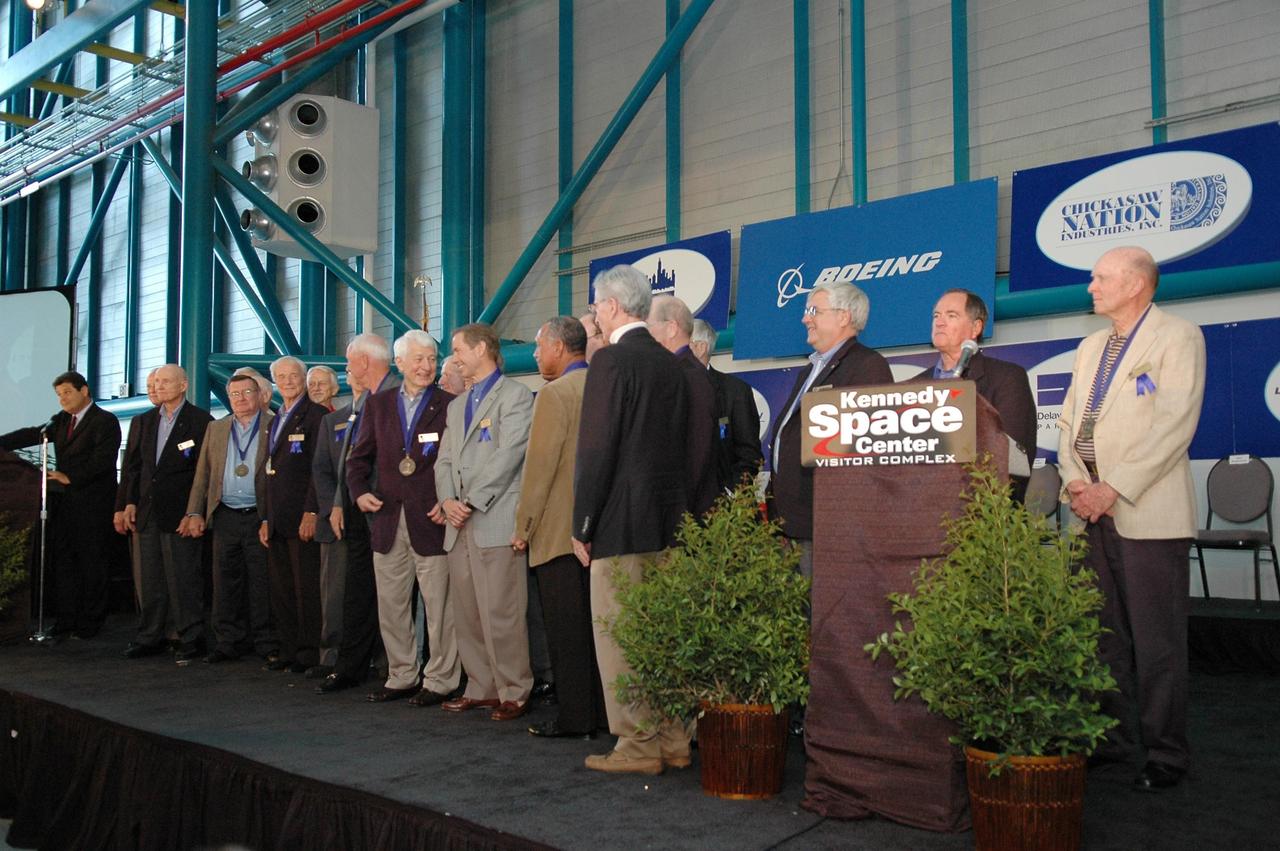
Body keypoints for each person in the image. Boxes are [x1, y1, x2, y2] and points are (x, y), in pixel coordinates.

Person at [1057, 246, 1205, 792]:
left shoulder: (1179, 336)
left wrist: (1111, 489)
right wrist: (1077, 482)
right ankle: (1111, 740)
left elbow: (1174, 426)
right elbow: (1070, 421)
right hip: (1092, 512)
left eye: (1101, 278)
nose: (1091, 287)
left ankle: (1167, 752)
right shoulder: (1091, 345)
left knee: (1158, 641)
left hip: (1147, 514)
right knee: (1103, 637)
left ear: (1137, 284)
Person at [573, 264, 691, 775]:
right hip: (669, 524)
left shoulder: (611, 362)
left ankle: (638, 746)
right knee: (660, 635)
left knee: (620, 639)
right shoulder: (673, 365)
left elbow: (598, 449)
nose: (595, 314)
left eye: (597, 305)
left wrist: (583, 523)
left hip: (621, 525)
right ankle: (672, 740)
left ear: (614, 307)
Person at [346, 330, 461, 705]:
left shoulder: (450, 404)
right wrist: (359, 491)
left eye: (431, 359)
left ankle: (441, 679)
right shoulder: (377, 405)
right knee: (392, 605)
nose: (427, 366)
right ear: (400, 363)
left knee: (439, 607)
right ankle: (401, 675)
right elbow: (358, 459)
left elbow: (460, 462)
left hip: (432, 519)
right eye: (418, 359)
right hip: (387, 520)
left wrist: (449, 499)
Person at [436, 323, 536, 721]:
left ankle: (515, 689)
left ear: (482, 349)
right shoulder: (457, 405)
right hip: (457, 523)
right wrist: (447, 501)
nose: (455, 358)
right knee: (468, 613)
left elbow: (509, 454)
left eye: (459, 350)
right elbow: (444, 460)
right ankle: (482, 687)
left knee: (502, 611)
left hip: (493, 518)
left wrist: (471, 501)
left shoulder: (515, 396)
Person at [512, 317, 606, 740]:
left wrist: (524, 525)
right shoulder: (606, 386)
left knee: (566, 633)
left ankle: (575, 719)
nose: (534, 354)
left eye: (537, 346)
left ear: (556, 346)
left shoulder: (555, 394)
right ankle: (604, 716)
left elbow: (539, 470)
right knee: (597, 631)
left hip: (556, 533)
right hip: (601, 530)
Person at [767, 282, 891, 576]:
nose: (804, 318)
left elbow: (865, 452)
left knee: (819, 614)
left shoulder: (867, 366)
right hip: (791, 521)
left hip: (825, 524)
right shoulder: (808, 371)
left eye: (813, 310)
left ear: (843, 317)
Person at [1, 370, 121, 639]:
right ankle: (66, 620)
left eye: (67, 392)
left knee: (92, 564)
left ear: (84, 391)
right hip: (65, 504)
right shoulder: (62, 420)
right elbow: (35, 433)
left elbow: (103, 461)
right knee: (66, 564)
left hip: (94, 503)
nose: (62, 399)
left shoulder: (105, 420)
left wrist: (71, 477)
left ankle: (91, 623)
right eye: (58, 395)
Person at [315, 334, 399, 694]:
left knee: (394, 594)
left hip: (389, 507)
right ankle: (352, 666)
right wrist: (339, 500)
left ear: (365, 362)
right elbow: (350, 458)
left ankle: (393, 668)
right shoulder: (361, 401)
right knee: (358, 590)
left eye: (350, 362)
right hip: (357, 507)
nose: (347, 368)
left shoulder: (396, 394)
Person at [119, 365, 212, 664]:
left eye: (165, 382)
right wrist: (127, 503)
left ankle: (189, 636)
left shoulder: (201, 421)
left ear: (183, 385)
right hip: (146, 512)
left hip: (181, 512)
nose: (158, 386)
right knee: (149, 578)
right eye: (156, 382)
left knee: (183, 577)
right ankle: (150, 635)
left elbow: (204, 471)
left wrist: (195, 511)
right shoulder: (143, 421)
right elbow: (132, 468)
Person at [181, 374, 277, 664]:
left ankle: (266, 641)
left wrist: (271, 517)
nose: (240, 398)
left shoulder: (274, 424)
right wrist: (194, 511)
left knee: (262, 582)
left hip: (259, 515)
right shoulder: (217, 428)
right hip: (225, 515)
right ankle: (227, 641)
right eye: (234, 394)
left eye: (247, 392)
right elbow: (203, 474)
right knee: (224, 581)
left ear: (260, 395)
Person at [911, 289, 1037, 503]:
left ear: (976, 328)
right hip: (922, 510)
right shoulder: (913, 387)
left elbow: (1013, 456)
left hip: (983, 513)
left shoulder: (1006, 377)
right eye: (936, 316)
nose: (939, 322)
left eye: (951, 315)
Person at [259, 356, 327, 673]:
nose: (287, 382)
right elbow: (268, 470)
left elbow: (318, 468)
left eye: (293, 375)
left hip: (302, 516)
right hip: (277, 517)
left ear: (304, 378)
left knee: (307, 589)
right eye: (281, 377)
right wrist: (265, 518)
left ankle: (309, 652)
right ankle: (288, 649)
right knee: (282, 590)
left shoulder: (315, 416)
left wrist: (312, 510)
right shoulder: (276, 419)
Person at [647, 296, 718, 518]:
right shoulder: (675, 372)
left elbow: (697, 449)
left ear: (671, 328)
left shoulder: (688, 375)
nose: (645, 335)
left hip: (683, 517)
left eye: (649, 326)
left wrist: (676, 510)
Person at [691, 318, 763, 492]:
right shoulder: (667, 388)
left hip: (722, 507)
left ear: (701, 348)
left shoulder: (735, 391)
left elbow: (749, 453)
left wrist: (731, 492)